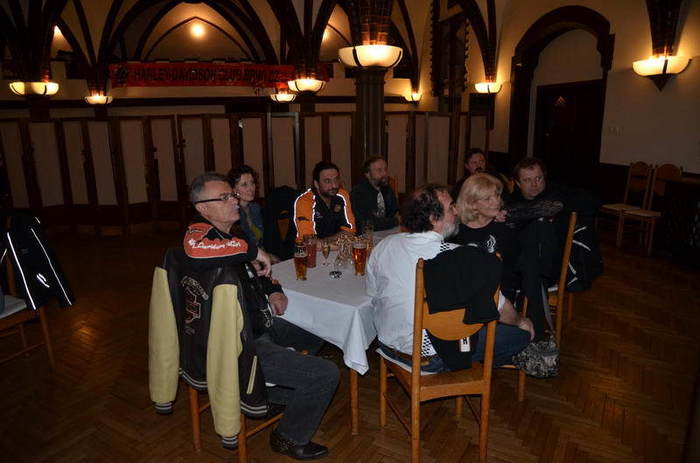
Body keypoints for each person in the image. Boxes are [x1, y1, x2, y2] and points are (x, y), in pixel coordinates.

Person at [185, 172, 339, 460]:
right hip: (238, 345)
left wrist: (273, 290)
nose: (234, 200)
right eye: (224, 197)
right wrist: (253, 250)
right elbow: (197, 252)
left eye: (232, 195)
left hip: (258, 323)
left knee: (320, 329)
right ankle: (288, 436)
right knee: (326, 374)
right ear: (202, 208)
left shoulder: (235, 235)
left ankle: (268, 394)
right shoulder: (198, 239)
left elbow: (258, 271)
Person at [366, 184, 533, 373]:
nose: (456, 211)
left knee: (461, 325)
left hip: (387, 346)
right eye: (451, 207)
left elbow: (373, 293)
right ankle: (473, 370)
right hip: (428, 358)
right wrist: (520, 321)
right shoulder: (459, 258)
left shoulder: (385, 245)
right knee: (520, 335)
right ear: (433, 219)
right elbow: (501, 309)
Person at [508, 157, 602, 340]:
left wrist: (556, 206)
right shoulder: (511, 201)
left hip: (550, 267)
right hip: (519, 267)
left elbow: (593, 201)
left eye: (539, 178)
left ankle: (530, 332)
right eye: (527, 180)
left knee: (538, 232)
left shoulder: (557, 193)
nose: (535, 184)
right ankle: (523, 332)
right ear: (517, 183)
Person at [450, 173, 519, 303]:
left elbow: (511, 275)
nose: (496, 202)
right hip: (462, 298)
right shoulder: (455, 232)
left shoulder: (505, 231)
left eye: (497, 195)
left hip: (498, 298)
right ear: (471, 203)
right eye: (488, 199)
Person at [293, 161, 356, 240]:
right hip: (302, 247)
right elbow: (308, 240)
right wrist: (334, 241)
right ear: (316, 184)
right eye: (327, 181)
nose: (334, 185)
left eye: (336, 179)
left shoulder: (342, 195)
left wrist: (326, 242)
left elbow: (350, 231)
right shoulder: (304, 202)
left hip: (333, 246)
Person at [350, 156, 399, 231]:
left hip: (389, 231)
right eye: (379, 170)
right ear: (367, 174)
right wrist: (395, 221)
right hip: (368, 234)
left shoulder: (387, 189)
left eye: (385, 169)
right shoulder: (358, 193)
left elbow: (395, 212)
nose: (384, 173)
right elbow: (367, 223)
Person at [228, 165, 264, 247]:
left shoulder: (255, 208)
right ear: (234, 190)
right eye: (244, 185)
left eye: (252, 183)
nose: (251, 188)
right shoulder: (232, 212)